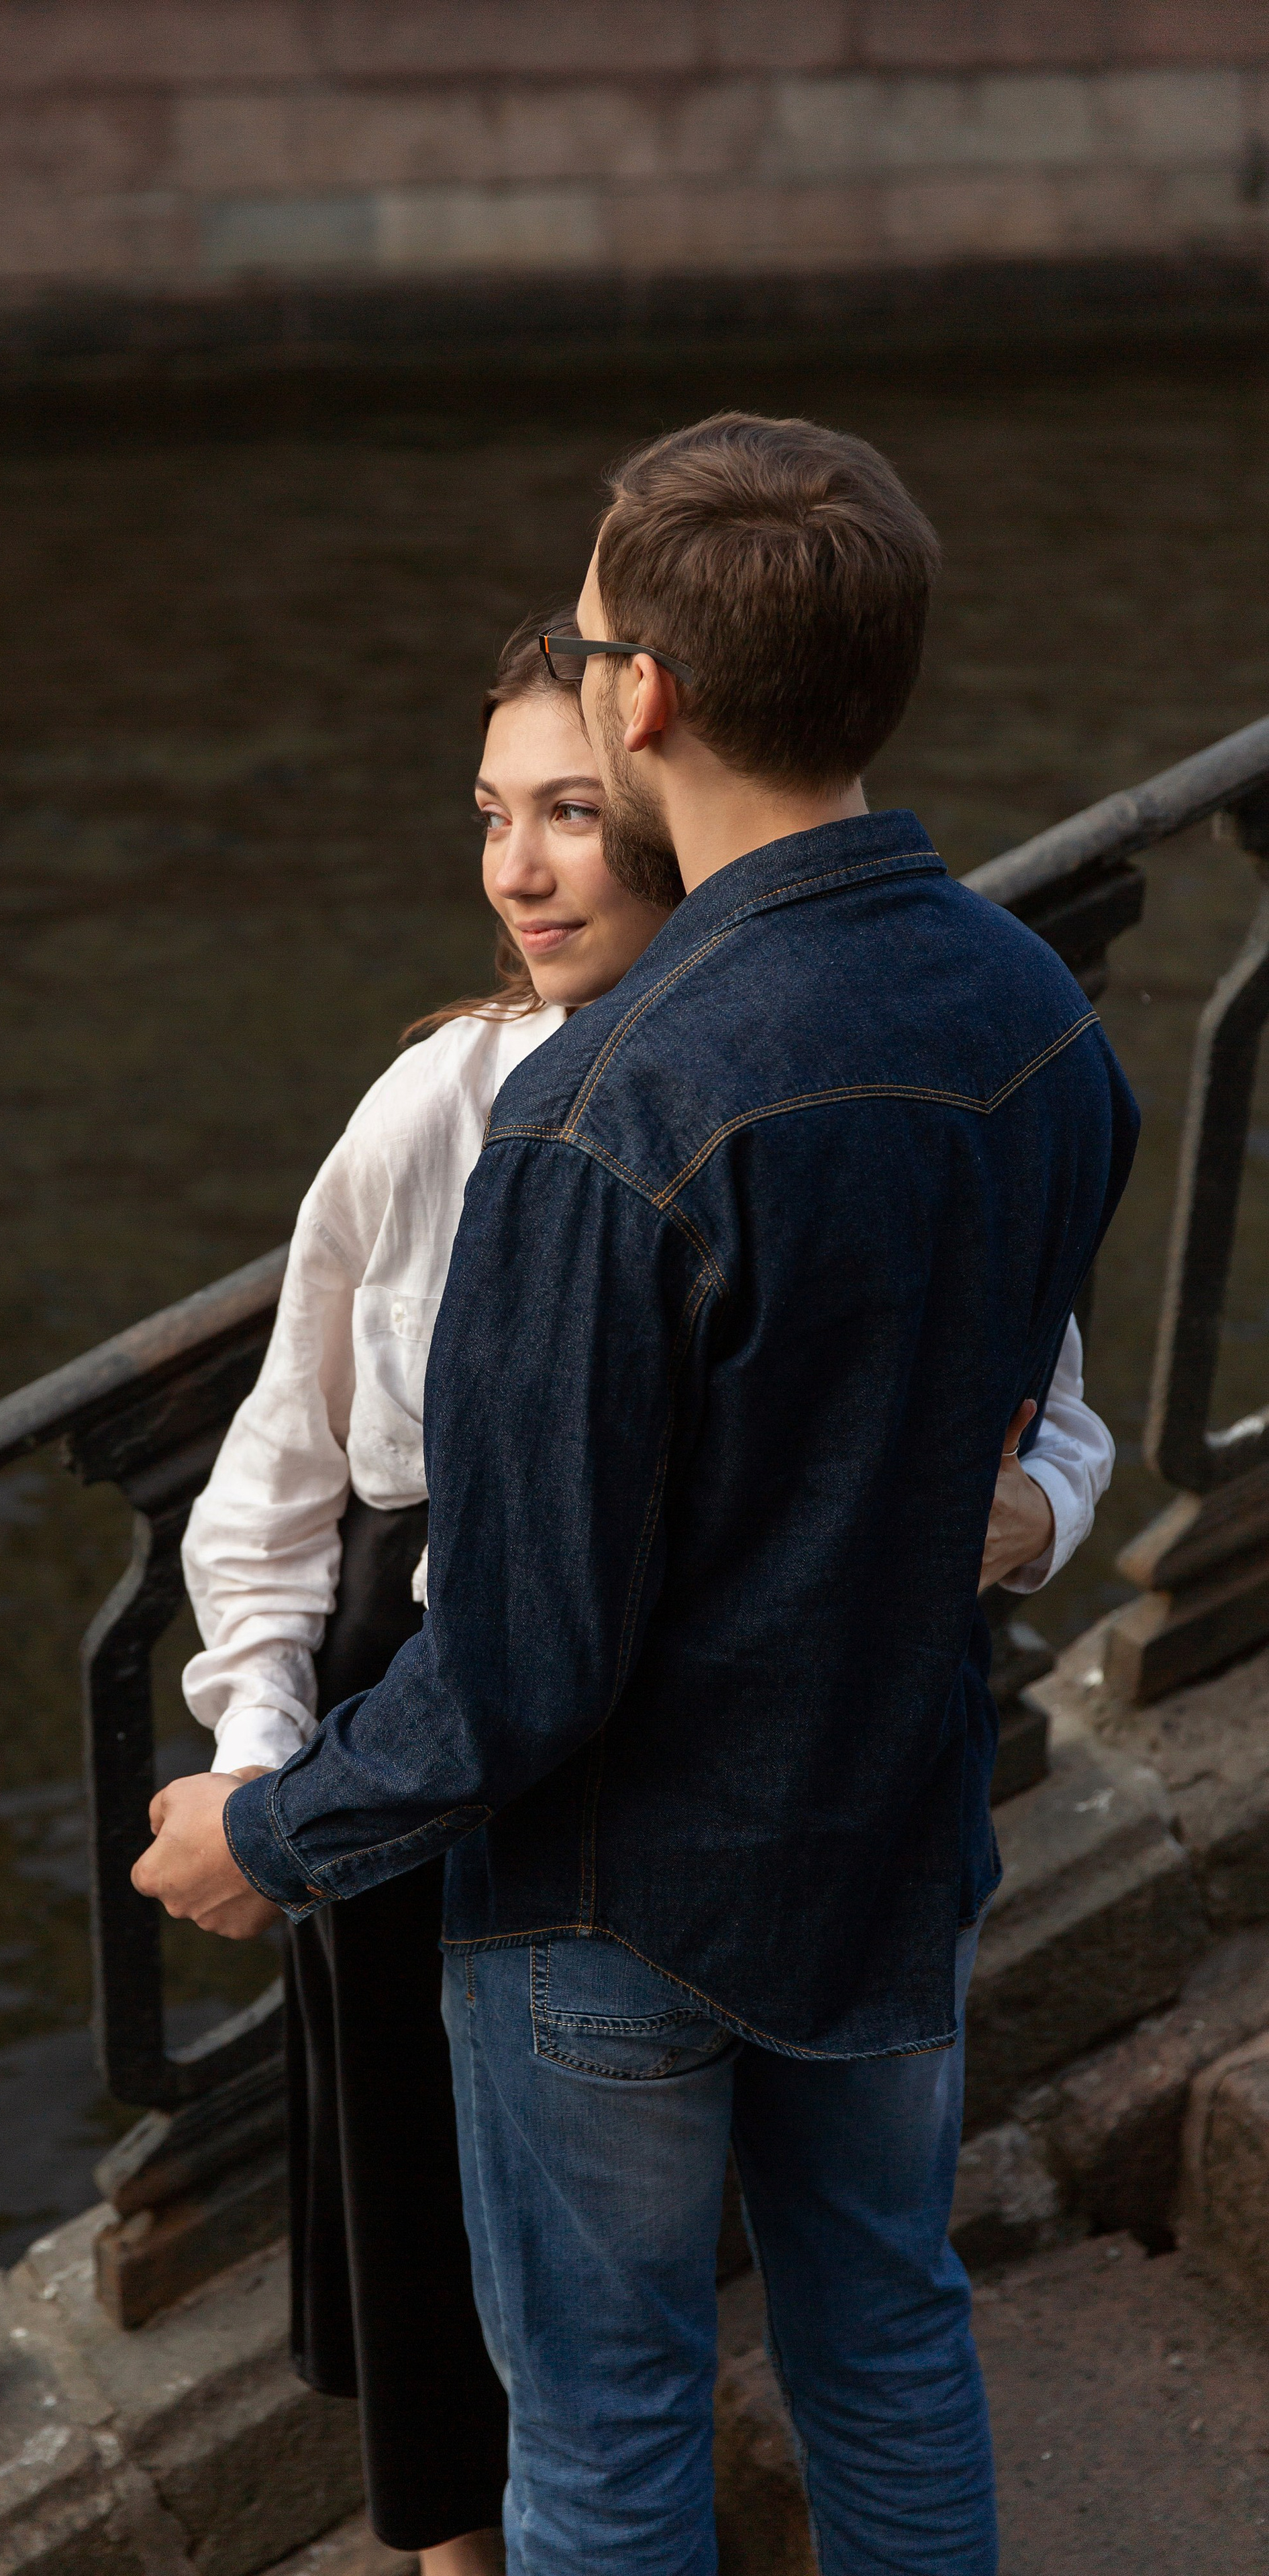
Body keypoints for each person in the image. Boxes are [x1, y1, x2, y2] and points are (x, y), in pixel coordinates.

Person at [167, 543, 1118, 2576]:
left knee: (604, 2425)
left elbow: (530, 1655)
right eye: (493, 817)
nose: (522, 864)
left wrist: (273, 1826)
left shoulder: (599, 1115)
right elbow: (289, 1477)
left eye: (573, 799)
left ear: (666, 731)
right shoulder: (1016, 1005)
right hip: (850, 1801)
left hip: (580, 1828)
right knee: (869, 2341)